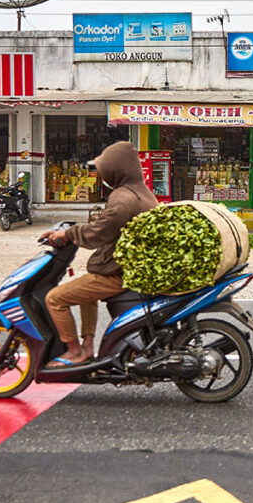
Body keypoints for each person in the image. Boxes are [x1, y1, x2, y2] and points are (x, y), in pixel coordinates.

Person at [39, 141, 157, 367]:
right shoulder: (140, 191)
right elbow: (107, 226)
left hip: (118, 272)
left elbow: (97, 233)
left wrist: (67, 235)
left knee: (55, 299)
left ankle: (75, 352)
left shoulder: (123, 199)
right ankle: (87, 346)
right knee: (85, 291)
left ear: (116, 169)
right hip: (127, 265)